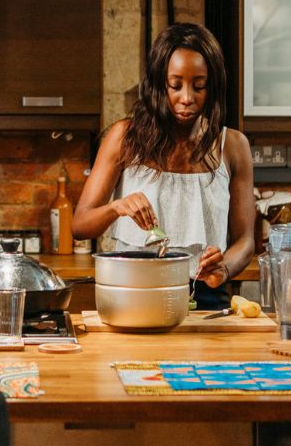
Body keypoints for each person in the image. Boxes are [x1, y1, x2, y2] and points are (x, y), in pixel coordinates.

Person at [72, 22, 255, 309]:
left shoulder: (232, 146)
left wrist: (225, 269)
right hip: (133, 293)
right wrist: (116, 207)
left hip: (206, 296)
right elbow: (80, 225)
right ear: (159, 84)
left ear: (213, 86)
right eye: (175, 85)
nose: (187, 98)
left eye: (199, 86)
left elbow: (245, 241)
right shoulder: (124, 137)